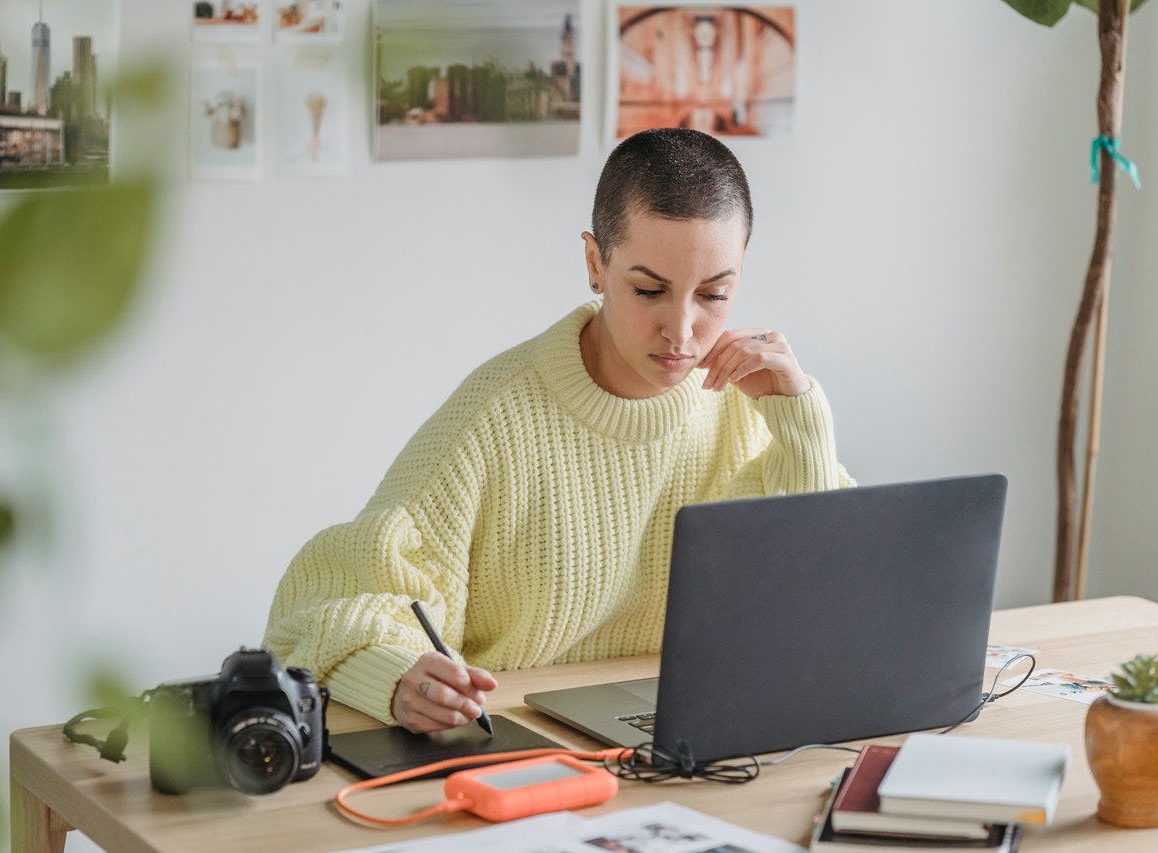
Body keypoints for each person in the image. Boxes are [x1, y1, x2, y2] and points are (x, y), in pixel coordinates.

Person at [263, 128, 854, 734]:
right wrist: (395, 678)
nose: (682, 331)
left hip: (685, 729)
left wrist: (799, 417)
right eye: (649, 290)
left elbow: (814, 602)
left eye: (714, 294)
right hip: (518, 741)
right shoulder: (494, 418)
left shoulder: (744, 405)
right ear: (596, 263)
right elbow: (315, 615)